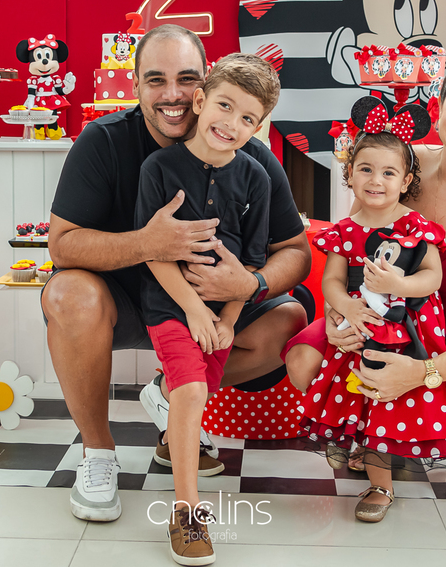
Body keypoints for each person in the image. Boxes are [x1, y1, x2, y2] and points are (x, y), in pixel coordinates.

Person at [43, 25, 312, 524]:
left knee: (291, 320)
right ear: (135, 85)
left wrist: (248, 285)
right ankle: (98, 453)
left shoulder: (249, 152)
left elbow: (294, 251)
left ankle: (172, 394)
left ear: (206, 83)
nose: (172, 95)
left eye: (185, 78)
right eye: (155, 80)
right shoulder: (104, 142)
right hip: (121, 301)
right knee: (66, 294)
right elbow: (62, 244)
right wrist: (147, 243)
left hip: (212, 311)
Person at [286, 54, 446, 499]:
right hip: (385, 313)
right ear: (439, 106)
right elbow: (352, 256)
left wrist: (424, 371)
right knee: (305, 360)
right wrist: (339, 314)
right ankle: (373, 432)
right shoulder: (398, 168)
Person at [297, 96, 446, 523]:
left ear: (406, 179)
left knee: (391, 401)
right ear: (350, 175)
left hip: (410, 330)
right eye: (366, 170)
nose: (376, 180)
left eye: (388, 172)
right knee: (363, 395)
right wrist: (346, 309)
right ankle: (375, 477)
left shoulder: (414, 226)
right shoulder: (345, 231)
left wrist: (399, 285)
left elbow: (432, 276)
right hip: (364, 325)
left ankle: (386, 476)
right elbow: (332, 281)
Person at [136, 53, 280, 565]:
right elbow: (153, 252)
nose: (232, 124)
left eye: (248, 118)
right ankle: (187, 513)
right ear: (200, 100)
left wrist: (226, 319)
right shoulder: (159, 168)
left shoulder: (257, 178)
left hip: (222, 312)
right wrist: (196, 313)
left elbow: (253, 263)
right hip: (170, 306)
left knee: (195, 390)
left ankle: (164, 410)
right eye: (224, 106)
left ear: (259, 126)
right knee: (192, 390)